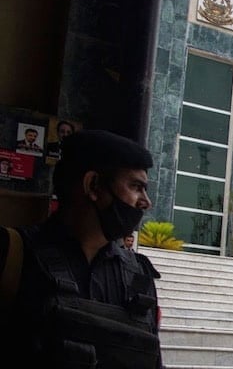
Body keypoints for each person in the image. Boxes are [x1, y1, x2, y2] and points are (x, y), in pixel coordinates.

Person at [0, 129, 163, 368]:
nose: (146, 202)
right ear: (93, 185)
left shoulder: (140, 275)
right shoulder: (13, 254)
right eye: (136, 187)